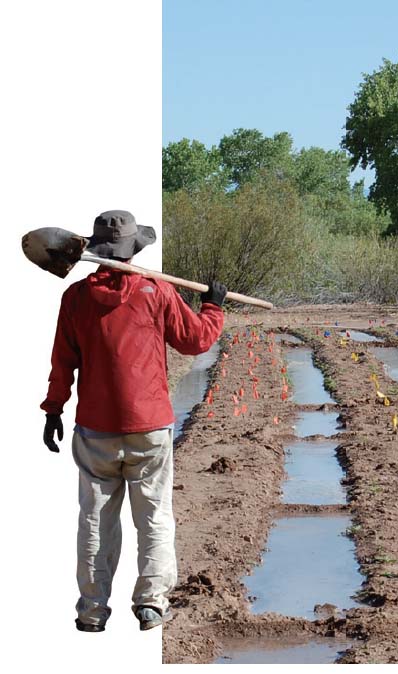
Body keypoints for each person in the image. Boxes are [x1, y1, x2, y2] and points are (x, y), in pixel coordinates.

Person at [40, 210, 225, 632]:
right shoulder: (155, 291)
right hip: (149, 427)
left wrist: (54, 408)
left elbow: (62, 362)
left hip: (95, 430)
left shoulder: (75, 298)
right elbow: (195, 339)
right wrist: (213, 306)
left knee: (94, 520)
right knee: (155, 516)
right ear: (133, 249)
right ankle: (152, 604)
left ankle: (91, 611)